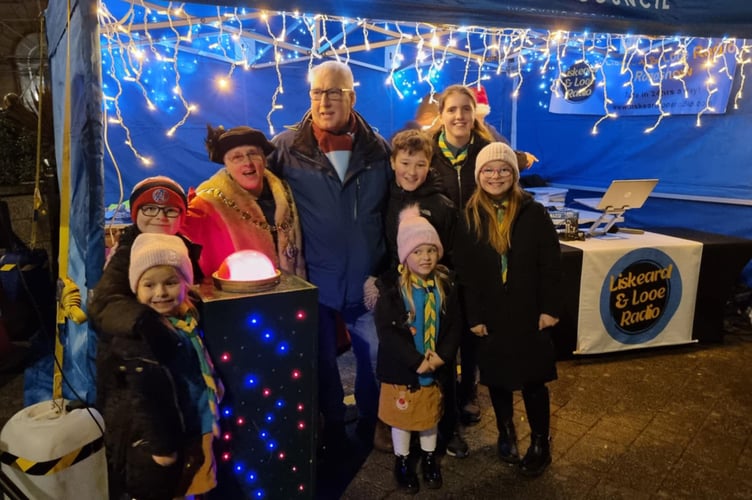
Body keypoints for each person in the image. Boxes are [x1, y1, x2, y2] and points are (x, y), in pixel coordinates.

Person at [268, 60, 393, 454]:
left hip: (365, 281)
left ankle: (374, 424)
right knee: (319, 362)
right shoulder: (286, 148)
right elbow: (250, 188)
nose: (324, 102)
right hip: (313, 282)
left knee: (374, 360)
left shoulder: (378, 149)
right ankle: (332, 425)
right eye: (317, 93)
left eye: (334, 92)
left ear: (351, 97)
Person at [453, 142, 561, 477]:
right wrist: (474, 316)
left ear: (513, 174)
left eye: (503, 169)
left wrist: (550, 308)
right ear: (479, 175)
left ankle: (540, 443)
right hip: (492, 314)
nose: (495, 176)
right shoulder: (469, 216)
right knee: (498, 380)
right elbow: (466, 273)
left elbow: (551, 264)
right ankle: (506, 432)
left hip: (529, 311)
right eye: (488, 170)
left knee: (533, 381)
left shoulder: (533, 212)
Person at [97, 233, 222, 499]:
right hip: (166, 443)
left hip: (198, 428)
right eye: (149, 285)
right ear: (135, 290)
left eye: (171, 282)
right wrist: (163, 449)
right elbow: (144, 399)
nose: (160, 293)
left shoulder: (187, 318)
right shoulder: (142, 337)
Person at [382, 129, 468, 458]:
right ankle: (401, 424)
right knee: (403, 361)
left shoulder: (441, 205)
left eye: (420, 164)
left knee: (441, 368)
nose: (412, 171)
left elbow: (455, 254)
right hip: (399, 291)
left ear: (429, 164)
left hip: (434, 295)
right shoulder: (386, 197)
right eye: (405, 163)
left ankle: (448, 427)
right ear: (393, 162)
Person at [375, 206, 461, 494]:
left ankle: (428, 459)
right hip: (404, 370)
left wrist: (442, 356)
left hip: (434, 367)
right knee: (402, 420)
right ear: (404, 256)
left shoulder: (445, 286)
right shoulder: (393, 291)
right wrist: (415, 361)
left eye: (430, 251)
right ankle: (402, 460)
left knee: (428, 416)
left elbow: (453, 326)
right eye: (417, 252)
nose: (425, 257)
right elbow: (388, 333)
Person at [89, 175, 202, 353]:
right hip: (136, 353)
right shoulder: (126, 253)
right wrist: (143, 322)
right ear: (136, 213)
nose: (160, 217)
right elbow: (104, 304)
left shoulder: (184, 248)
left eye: (170, 210)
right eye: (150, 209)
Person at [182, 125, 305, 279]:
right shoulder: (207, 203)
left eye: (253, 154)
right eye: (237, 157)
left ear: (264, 160)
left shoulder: (286, 193)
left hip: (292, 293)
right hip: (237, 296)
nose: (247, 162)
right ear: (226, 165)